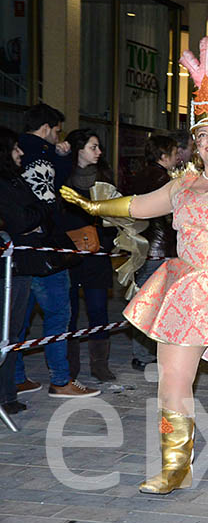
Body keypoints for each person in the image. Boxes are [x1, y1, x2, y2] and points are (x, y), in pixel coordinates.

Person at [61, 37, 208, 494]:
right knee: (172, 379)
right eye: (203, 136)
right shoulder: (183, 185)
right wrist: (97, 209)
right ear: (193, 145)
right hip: (186, 289)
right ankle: (176, 467)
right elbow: (137, 206)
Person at [15, 103, 98, 397]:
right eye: (57, 129)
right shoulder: (40, 153)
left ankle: (16, 378)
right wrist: (62, 157)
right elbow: (55, 194)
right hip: (45, 247)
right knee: (58, 314)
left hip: (21, 249)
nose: (58, 135)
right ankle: (61, 381)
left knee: (18, 318)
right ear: (47, 128)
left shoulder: (15, 152)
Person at [0, 126, 54, 413]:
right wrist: (41, 211)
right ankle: (5, 395)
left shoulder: (15, 181)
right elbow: (22, 220)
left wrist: (38, 213)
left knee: (13, 332)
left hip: (21, 266)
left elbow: (37, 213)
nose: (20, 153)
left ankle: (8, 395)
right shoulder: (5, 184)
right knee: (6, 330)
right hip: (8, 268)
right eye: (15, 148)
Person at [62, 129, 118, 381]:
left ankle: (100, 366)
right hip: (69, 253)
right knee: (69, 312)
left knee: (98, 310)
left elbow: (114, 213)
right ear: (78, 149)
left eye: (98, 147)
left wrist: (105, 240)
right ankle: (69, 368)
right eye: (93, 147)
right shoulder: (63, 176)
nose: (99, 152)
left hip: (97, 253)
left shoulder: (104, 178)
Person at [129, 134, 180, 371]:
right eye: (173, 153)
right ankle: (151, 354)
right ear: (163, 155)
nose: (177, 157)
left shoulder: (138, 176)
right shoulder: (163, 179)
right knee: (160, 304)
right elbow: (170, 214)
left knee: (144, 301)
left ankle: (143, 353)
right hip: (161, 248)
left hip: (143, 246)